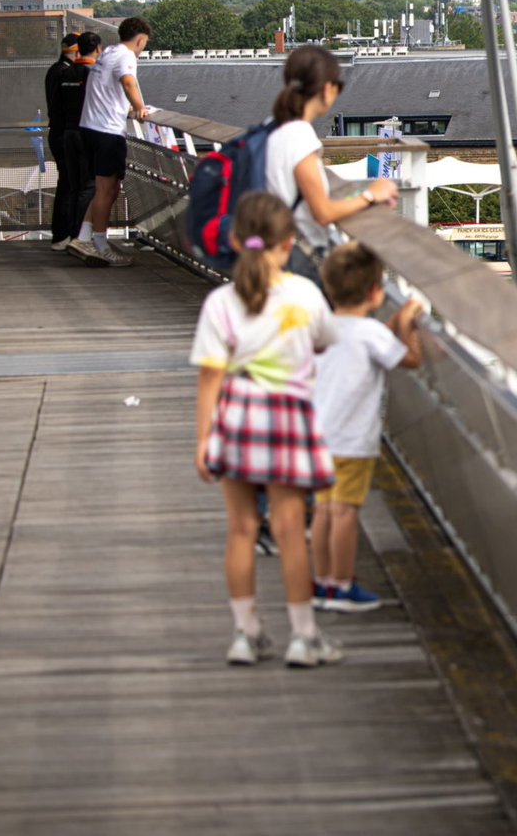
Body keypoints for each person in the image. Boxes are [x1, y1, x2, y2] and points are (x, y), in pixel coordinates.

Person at [191, 190, 342, 667]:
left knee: (240, 529)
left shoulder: (220, 302)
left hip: (236, 414)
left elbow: (210, 375)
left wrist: (203, 440)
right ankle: (303, 637)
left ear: (235, 241)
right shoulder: (304, 294)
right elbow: (325, 343)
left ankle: (246, 633)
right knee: (291, 530)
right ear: (288, 243)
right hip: (289, 417)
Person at [310, 243, 423, 613]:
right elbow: (409, 359)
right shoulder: (370, 334)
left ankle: (323, 584)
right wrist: (409, 323)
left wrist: (392, 327)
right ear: (375, 292)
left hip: (317, 440)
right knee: (345, 513)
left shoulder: (323, 329)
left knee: (324, 511)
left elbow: (374, 340)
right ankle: (343, 585)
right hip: (352, 443)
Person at [265, 45, 398, 283]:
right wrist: (370, 195)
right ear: (327, 89)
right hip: (299, 259)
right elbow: (322, 213)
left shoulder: (275, 131)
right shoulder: (300, 137)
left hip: (278, 253)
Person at [68, 17, 153, 267]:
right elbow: (127, 82)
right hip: (106, 131)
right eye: (144, 43)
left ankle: (83, 237)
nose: (142, 48)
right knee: (107, 190)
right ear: (139, 39)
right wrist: (140, 108)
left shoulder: (108, 53)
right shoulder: (126, 55)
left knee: (109, 188)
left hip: (90, 127)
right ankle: (100, 245)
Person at [45, 32, 96, 251]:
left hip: (60, 131)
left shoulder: (56, 71)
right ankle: (67, 234)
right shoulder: (69, 72)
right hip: (71, 131)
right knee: (72, 184)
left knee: (67, 183)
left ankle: (63, 234)